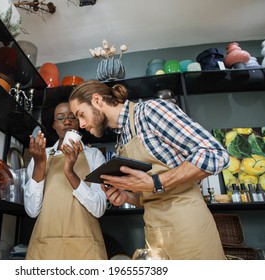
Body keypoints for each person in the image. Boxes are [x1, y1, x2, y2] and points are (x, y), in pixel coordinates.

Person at [68, 80, 230, 260]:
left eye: (81, 114)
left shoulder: (149, 111)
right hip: (154, 231)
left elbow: (214, 154)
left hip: (187, 225)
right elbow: (152, 195)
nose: (81, 124)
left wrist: (156, 182)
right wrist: (128, 197)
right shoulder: (123, 137)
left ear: (97, 100)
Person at [23, 101, 108, 260]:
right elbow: (32, 211)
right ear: (53, 124)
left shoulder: (94, 155)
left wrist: (70, 172)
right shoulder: (41, 156)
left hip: (85, 250)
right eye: (60, 118)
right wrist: (40, 164)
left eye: (72, 117)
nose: (67, 122)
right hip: (47, 248)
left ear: (80, 122)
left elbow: (99, 208)